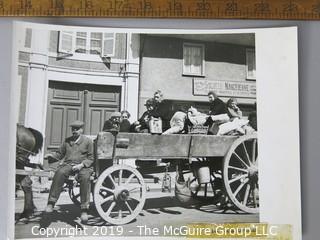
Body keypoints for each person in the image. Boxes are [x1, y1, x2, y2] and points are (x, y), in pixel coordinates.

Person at [44, 120, 93, 223]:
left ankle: (84, 209)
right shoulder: (67, 141)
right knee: (60, 172)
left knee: (85, 178)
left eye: (77, 129)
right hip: (69, 165)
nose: (74, 131)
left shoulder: (88, 141)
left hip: (83, 166)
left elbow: (91, 158)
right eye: (73, 129)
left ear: (81, 129)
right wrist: (51, 156)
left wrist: (81, 165)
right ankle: (51, 203)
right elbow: (59, 154)